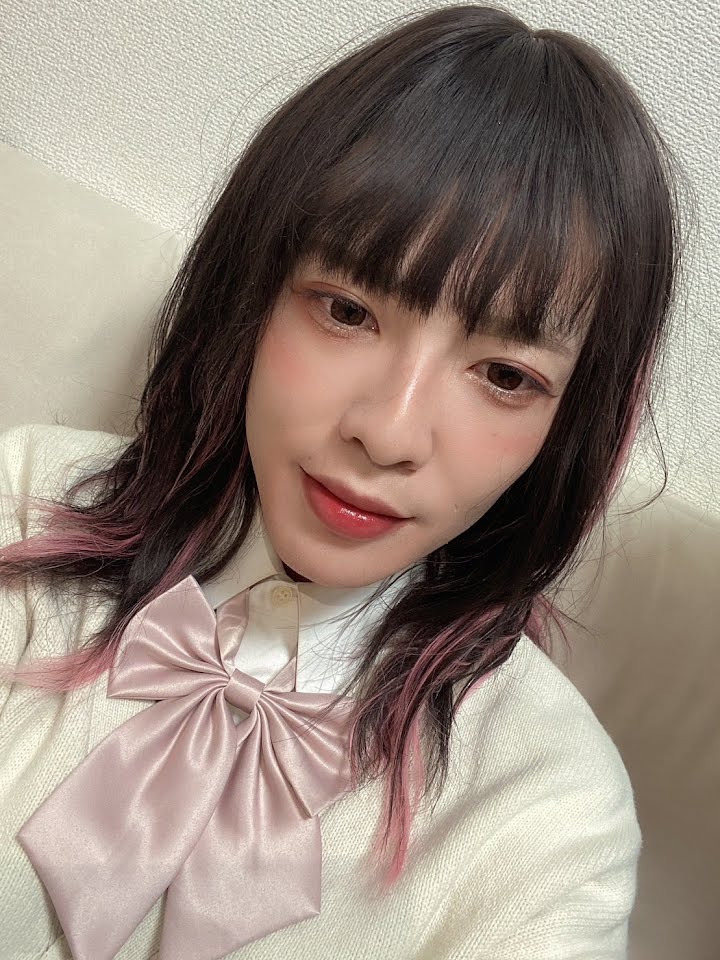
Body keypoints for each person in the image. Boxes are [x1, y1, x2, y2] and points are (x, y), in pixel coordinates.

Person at [0, 4, 681, 958]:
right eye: (348, 310)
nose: (389, 432)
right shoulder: (20, 502)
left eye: (504, 375)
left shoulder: (552, 819)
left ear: (567, 429)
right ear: (252, 290)